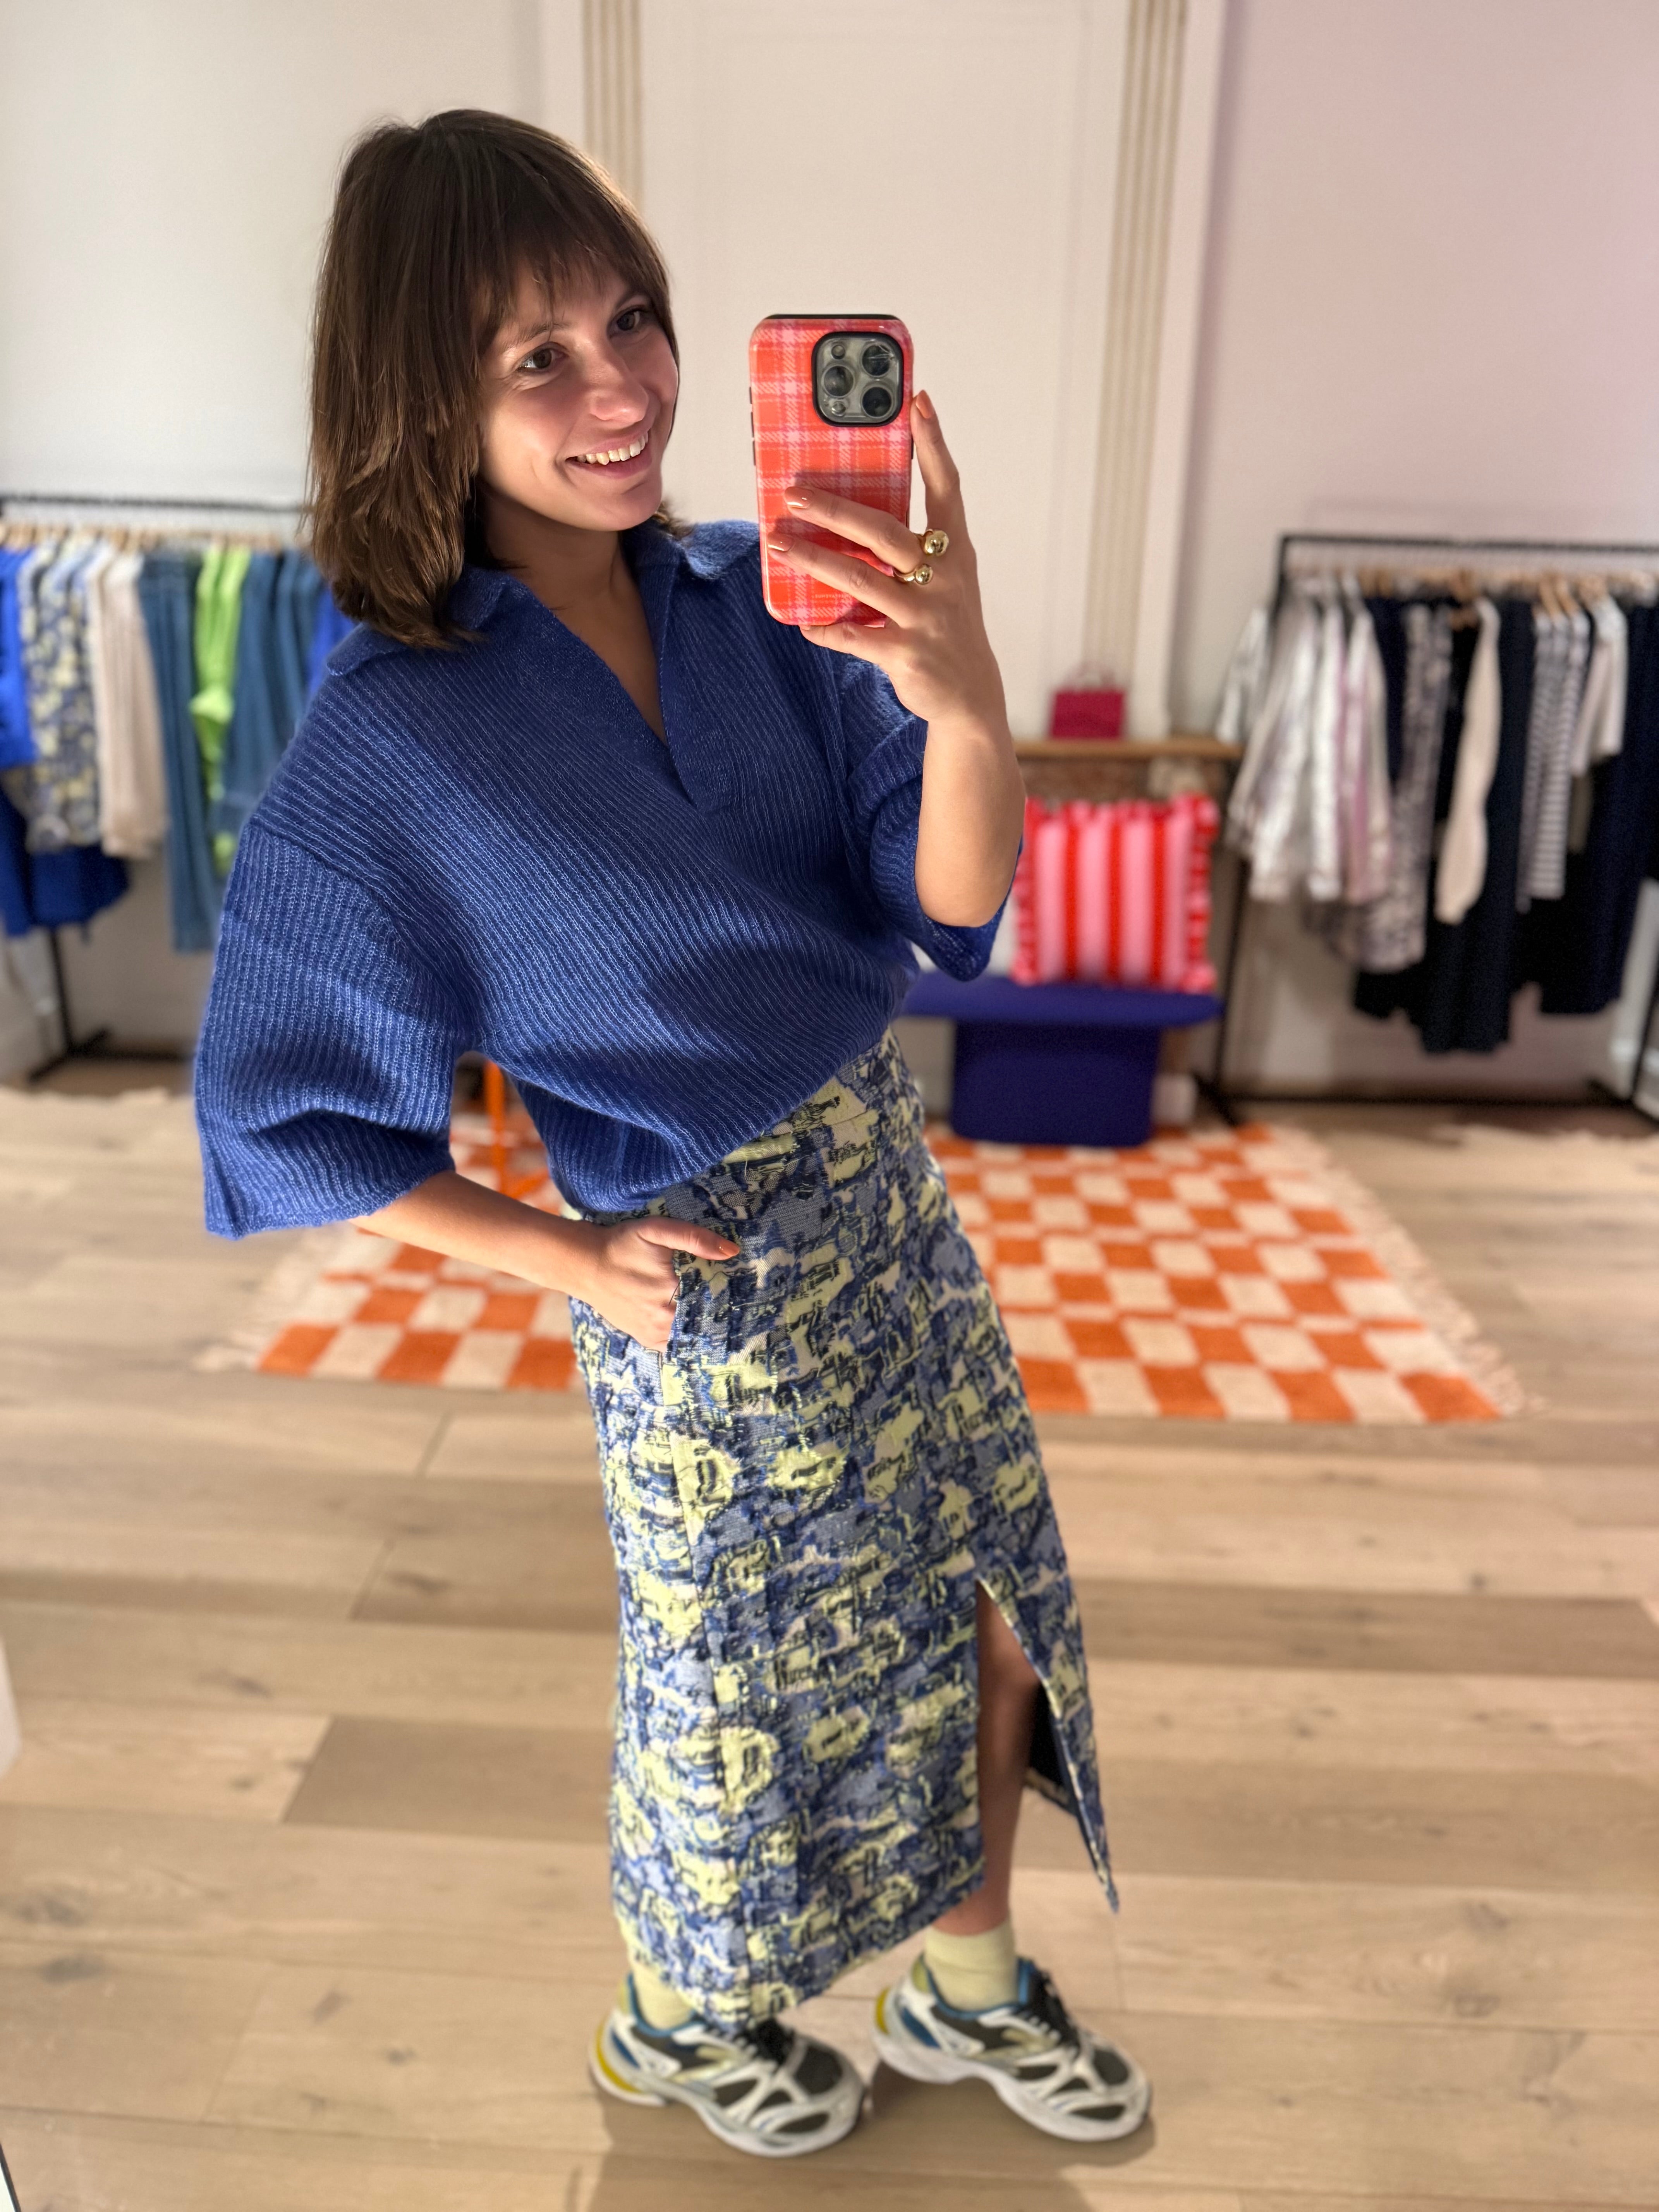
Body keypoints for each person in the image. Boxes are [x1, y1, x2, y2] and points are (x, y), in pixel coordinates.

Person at [194, 109, 1149, 2159]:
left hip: (885, 1202)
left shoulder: (756, 602)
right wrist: (555, 1256)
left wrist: (964, 689)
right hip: (696, 1287)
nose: (621, 386)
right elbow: (282, 1107)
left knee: (984, 1608)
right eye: (537, 356)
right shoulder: (391, 734)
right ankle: (676, 2017)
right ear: (421, 396)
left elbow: (952, 909)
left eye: (632, 319)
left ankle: (967, 1978)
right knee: (739, 1704)